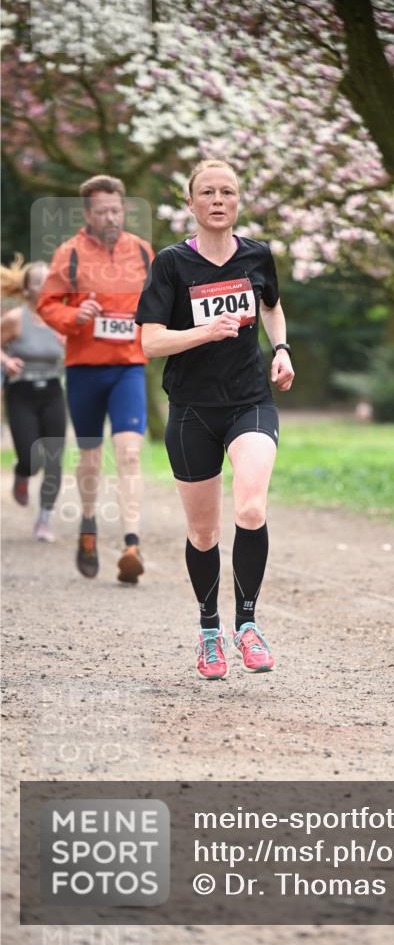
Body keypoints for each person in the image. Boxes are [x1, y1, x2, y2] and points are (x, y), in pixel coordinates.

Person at [136, 159, 294, 679]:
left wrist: (282, 349)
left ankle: (247, 625)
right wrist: (205, 332)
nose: (218, 200)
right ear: (191, 203)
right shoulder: (171, 263)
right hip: (192, 410)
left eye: (227, 191)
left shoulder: (257, 255)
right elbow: (150, 341)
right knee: (203, 533)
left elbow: (271, 305)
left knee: (250, 507)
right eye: (207, 192)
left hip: (250, 401)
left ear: (238, 201)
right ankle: (209, 632)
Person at [37, 175, 154, 583]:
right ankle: (88, 525)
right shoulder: (69, 254)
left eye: (116, 210)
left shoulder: (142, 251)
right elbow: (47, 305)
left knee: (130, 454)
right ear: (87, 213)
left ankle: (132, 545)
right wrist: (75, 315)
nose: (110, 217)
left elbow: (160, 300)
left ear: (124, 209)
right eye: (102, 211)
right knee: (90, 458)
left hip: (128, 367)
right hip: (84, 369)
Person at [1, 256, 66, 542]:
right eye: (41, 282)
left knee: (53, 459)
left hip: (52, 392)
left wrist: (70, 341)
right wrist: (6, 361)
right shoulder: (15, 319)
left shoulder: (61, 318)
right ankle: (22, 471)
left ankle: (44, 520)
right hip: (21, 394)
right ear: (28, 289)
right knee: (31, 457)